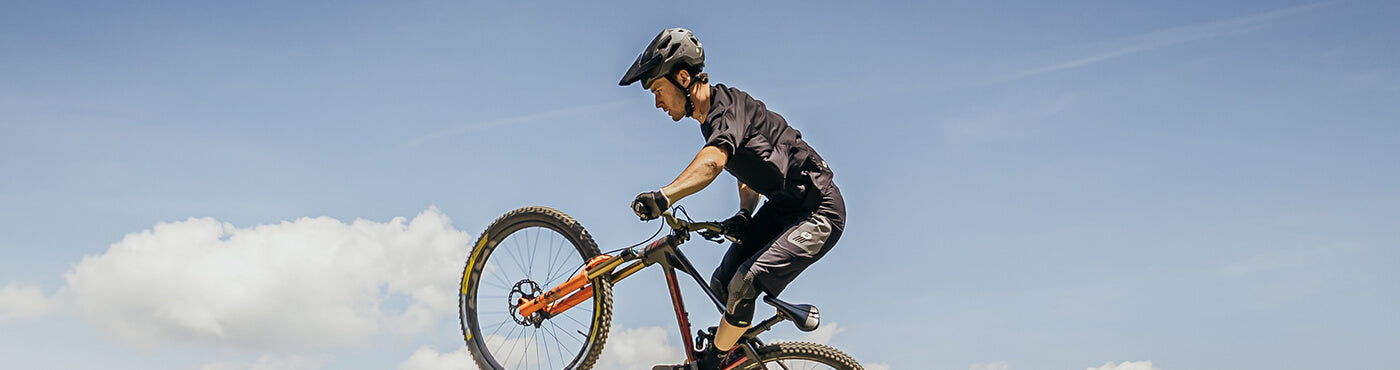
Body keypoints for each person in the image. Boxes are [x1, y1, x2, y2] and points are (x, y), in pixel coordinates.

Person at [620, 28, 847, 370]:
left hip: (820, 213)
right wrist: (744, 214)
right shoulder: (717, 117)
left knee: (744, 284)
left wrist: (663, 197)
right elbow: (749, 172)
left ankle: (712, 363)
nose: (657, 103)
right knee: (722, 283)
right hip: (785, 210)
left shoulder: (724, 110)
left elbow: (713, 163)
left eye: (657, 90)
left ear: (683, 77)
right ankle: (740, 360)